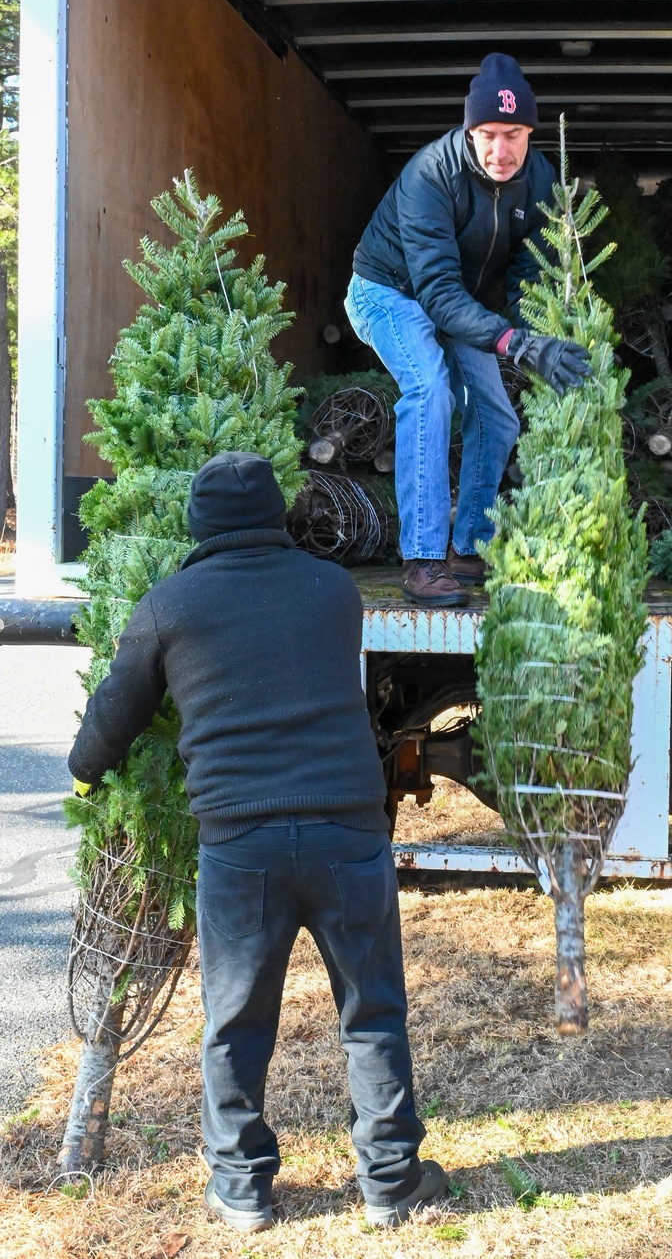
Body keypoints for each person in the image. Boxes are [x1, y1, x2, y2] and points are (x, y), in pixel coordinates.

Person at [67, 452, 444, 1233]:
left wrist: (84, 772)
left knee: (236, 1021)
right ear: (278, 516)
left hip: (242, 845)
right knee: (372, 1009)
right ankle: (392, 1182)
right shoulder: (333, 591)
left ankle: (242, 1188)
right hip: (348, 829)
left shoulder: (170, 605)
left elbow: (118, 708)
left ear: (199, 525)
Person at [346, 52, 591, 609]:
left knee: (498, 414)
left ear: (530, 131)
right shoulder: (431, 175)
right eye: (486, 134)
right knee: (429, 390)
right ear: (468, 130)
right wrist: (517, 344)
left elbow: (532, 270)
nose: (499, 151)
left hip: (464, 301)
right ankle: (423, 560)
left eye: (513, 134)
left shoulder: (541, 179)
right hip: (389, 291)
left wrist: (545, 335)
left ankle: (468, 546)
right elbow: (435, 292)